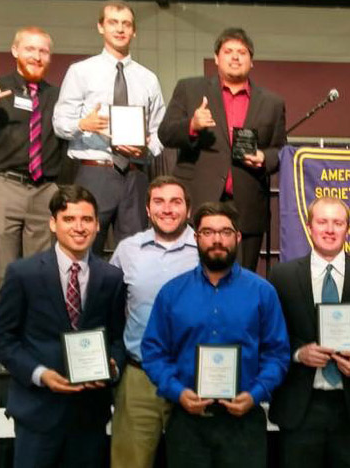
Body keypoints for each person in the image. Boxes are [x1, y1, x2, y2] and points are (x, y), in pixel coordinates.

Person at [141, 201, 290, 468]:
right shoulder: (172, 293)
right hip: (187, 423)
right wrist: (177, 392)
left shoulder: (262, 292)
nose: (217, 240)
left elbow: (277, 355)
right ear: (196, 238)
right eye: (208, 232)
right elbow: (153, 353)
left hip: (244, 423)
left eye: (225, 232)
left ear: (238, 237)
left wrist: (255, 394)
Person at [0, 185, 126, 468]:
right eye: (69, 219)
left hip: (89, 416)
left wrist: (112, 366)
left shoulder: (111, 277)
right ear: (53, 223)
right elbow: (1, 340)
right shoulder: (23, 274)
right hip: (38, 412)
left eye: (86, 219)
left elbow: (119, 338)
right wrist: (40, 374)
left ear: (98, 225)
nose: (78, 227)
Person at [268, 196, 350, 468]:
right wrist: (298, 353)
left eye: (338, 223)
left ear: (347, 229)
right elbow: (270, 338)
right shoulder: (282, 276)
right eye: (322, 222)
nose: (329, 229)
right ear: (309, 226)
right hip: (301, 406)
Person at [0, 26, 65, 331]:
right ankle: (0, 344)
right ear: (15, 51)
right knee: (0, 272)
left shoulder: (58, 96)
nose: (37, 56)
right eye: (30, 49)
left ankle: (36, 338)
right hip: (3, 187)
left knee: (41, 273)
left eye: (43, 51)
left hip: (45, 190)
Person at [158, 27, 287, 271]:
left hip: (246, 206)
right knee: (192, 277)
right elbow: (165, 134)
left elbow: (280, 150)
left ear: (252, 61)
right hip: (198, 201)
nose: (235, 57)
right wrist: (192, 126)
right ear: (217, 58)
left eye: (242, 52)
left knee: (241, 280)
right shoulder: (190, 89)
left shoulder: (272, 102)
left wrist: (264, 157)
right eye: (228, 51)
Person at [53, 1, 165, 254]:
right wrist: (84, 124)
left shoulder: (148, 79)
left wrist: (148, 147)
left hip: (135, 175)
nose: (120, 29)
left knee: (135, 254)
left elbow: (161, 130)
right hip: (95, 172)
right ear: (100, 27)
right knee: (83, 251)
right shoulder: (81, 72)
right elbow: (60, 123)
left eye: (126, 24)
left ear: (134, 31)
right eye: (113, 22)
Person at [109, 176, 198, 468]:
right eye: (159, 202)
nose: (167, 209)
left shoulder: (206, 250)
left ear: (188, 208)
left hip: (193, 376)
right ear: (147, 209)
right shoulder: (127, 250)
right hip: (139, 377)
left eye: (176, 202)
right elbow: (108, 308)